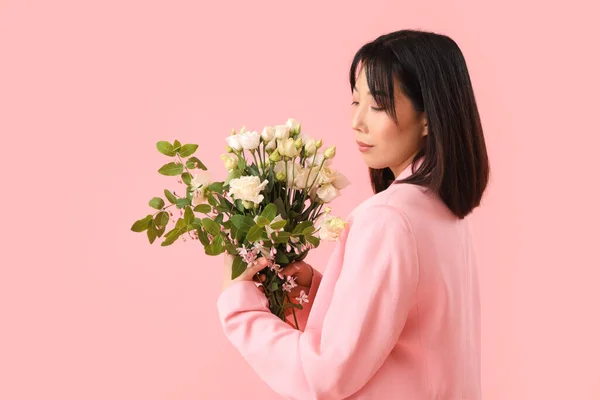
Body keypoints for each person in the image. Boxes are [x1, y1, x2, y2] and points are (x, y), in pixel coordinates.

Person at [217, 29, 490, 399]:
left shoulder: (389, 218)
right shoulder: (442, 208)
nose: (357, 121)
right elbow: (411, 330)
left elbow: (326, 376)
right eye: (354, 101)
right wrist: (316, 290)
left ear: (429, 118)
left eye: (377, 106)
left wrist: (241, 309)